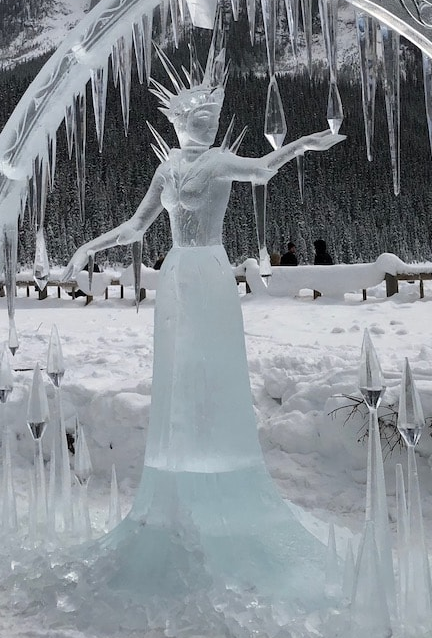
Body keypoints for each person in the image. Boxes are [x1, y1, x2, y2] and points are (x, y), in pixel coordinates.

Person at [65, 48, 344, 601]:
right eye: (200, 120)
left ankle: (218, 469)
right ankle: (179, 473)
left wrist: (306, 142)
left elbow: (263, 171)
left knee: (212, 373)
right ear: (181, 122)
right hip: (177, 276)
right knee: (178, 375)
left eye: (213, 121)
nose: (208, 127)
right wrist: (87, 248)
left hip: (211, 273)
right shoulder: (168, 167)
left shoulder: (218, 163)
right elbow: (136, 225)